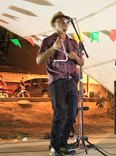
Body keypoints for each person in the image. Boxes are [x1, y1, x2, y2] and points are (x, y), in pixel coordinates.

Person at [36, 11, 84, 155]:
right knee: (60, 113)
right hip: (57, 80)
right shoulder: (48, 40)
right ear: (54, 25)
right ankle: (55, 146)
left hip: (72, 80)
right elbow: (38, 60)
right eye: (61, 21)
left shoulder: (73, 42)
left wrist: (76, 58)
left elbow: (82, 62)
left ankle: (63, 144)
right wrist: (52, 49)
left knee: (72, 112)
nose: (64, 23)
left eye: (66, 21)